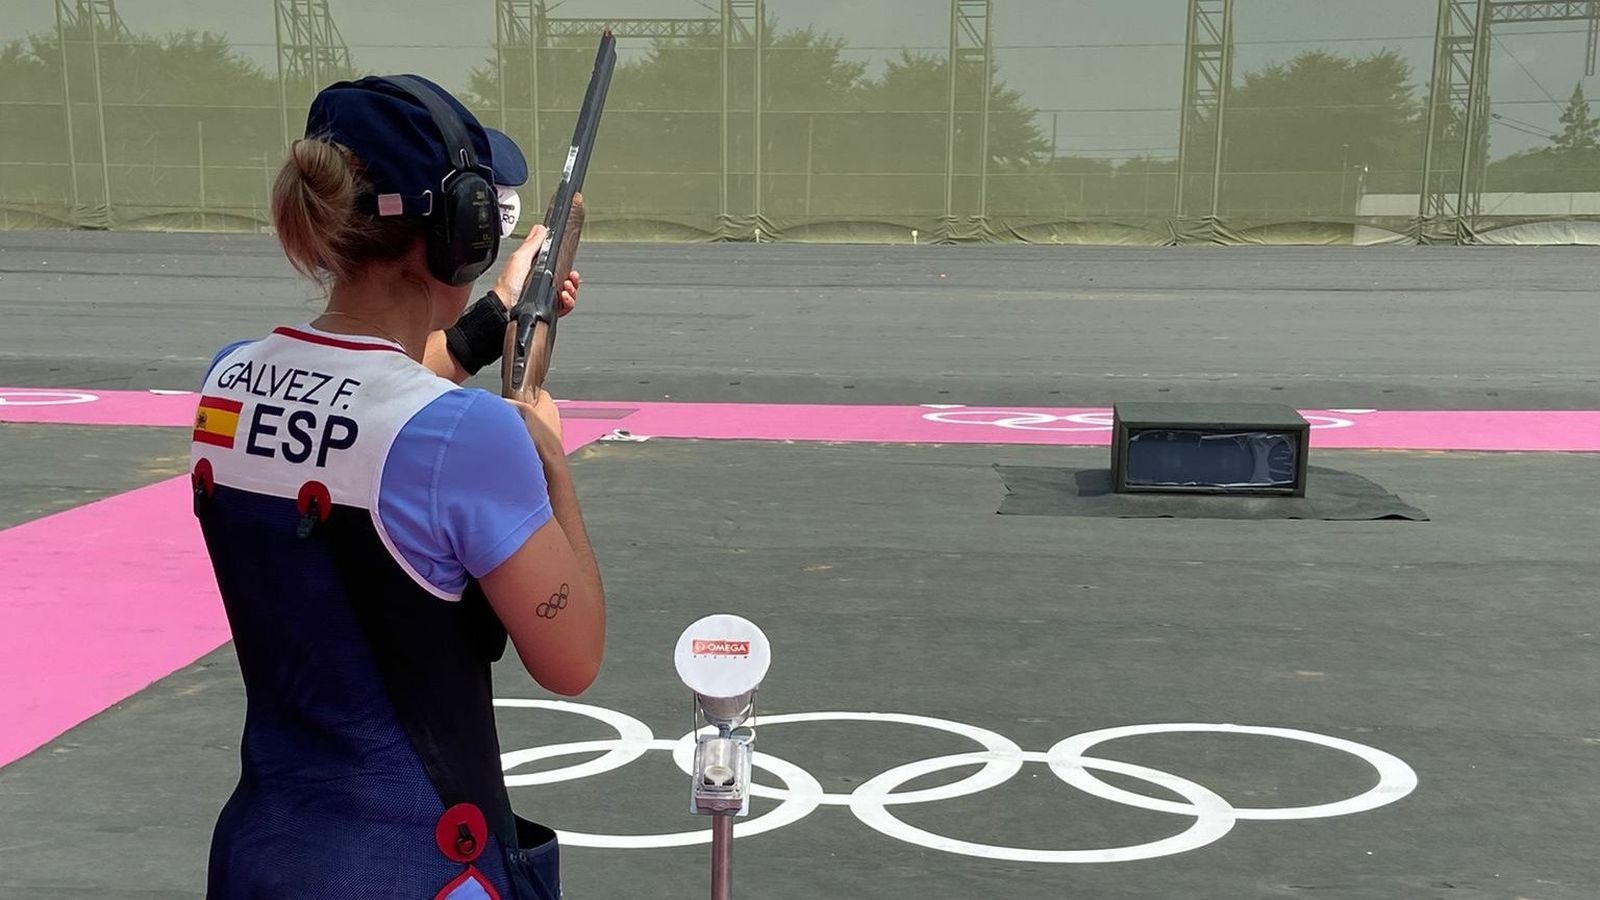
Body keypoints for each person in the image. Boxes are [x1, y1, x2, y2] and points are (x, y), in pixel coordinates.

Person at [188, 74, 603, 900]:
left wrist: (498, 316)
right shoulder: (466, 437)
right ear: (457, 229)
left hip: (263, 854)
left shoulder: (226, 387)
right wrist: (550, 460)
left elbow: (372, 397)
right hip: (421, 867)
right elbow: (573, 658)